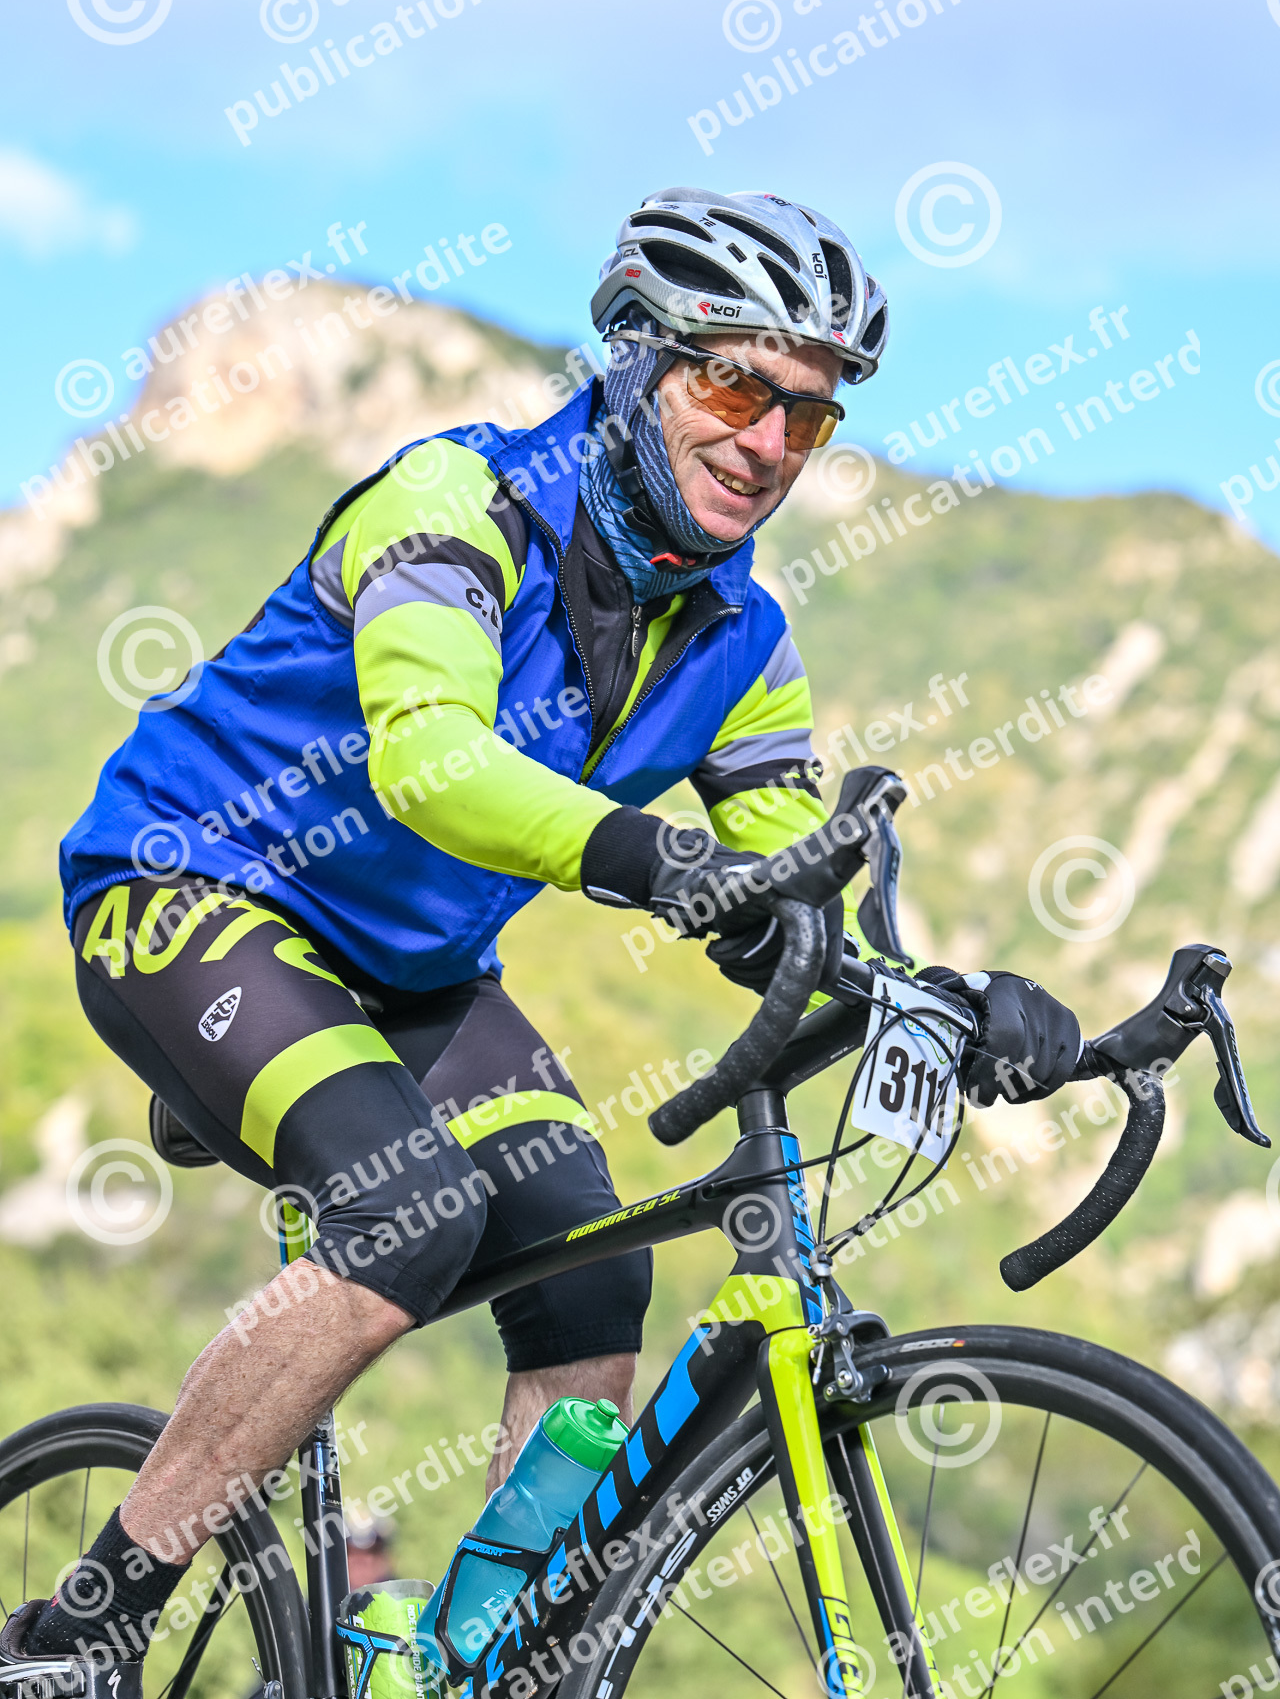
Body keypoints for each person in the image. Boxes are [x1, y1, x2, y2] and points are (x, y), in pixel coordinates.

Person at [3, 188, 1081, 1677]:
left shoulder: (745, 641)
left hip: (412, 976)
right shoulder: (458, 504)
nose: (768, 443)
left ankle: (482, 1655)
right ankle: (85, 1628)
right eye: (735, 388)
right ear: (638, 361)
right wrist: (653, 858)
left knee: (593, 1274)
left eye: (809, 417)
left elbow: (785, 896)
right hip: (193, 892)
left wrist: (952, 997)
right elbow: (429, 760)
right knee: (412, 1213)